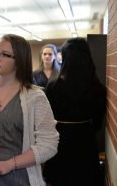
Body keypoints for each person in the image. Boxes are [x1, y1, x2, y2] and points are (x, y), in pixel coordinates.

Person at [0, 34, 59, 186]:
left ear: (20, 61)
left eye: (5, 54)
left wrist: (8, 164)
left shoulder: (35, 97)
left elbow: (49, 144)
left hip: (19, 178)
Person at [43, 38, 107, 186]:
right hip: (86, 143)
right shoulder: (98, 88)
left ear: (65, 58)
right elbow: (97, 125)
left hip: (59, 145)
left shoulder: (53, 86)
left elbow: (45, 122)